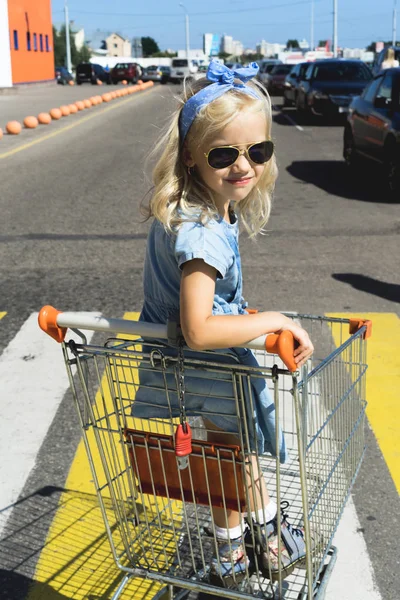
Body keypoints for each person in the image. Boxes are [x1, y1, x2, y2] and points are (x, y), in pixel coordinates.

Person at [136, 60, 315, 584]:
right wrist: (276, 319)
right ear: (191, 158)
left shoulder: (197, 207)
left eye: (258, 151)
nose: (244, 165)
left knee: (231, 461)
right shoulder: (204, 230)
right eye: (224, 154)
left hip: (194, 369)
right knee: (234, 464)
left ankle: (248, 548)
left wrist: (244, 317)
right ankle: (248, 550)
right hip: (205, 367)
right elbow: (199, 328)